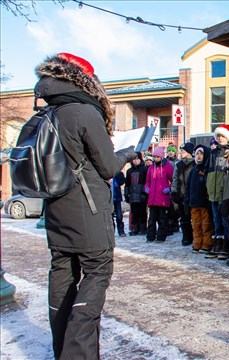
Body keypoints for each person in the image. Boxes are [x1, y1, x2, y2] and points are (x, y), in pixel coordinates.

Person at [34, 52, 137, 359]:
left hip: (56, 212)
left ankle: (61, 350)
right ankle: (77, 354)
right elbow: (107, 167)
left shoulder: (45, 114)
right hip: (89, 213)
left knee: (62, 280)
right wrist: (128, 155)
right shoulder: (84, 111)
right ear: (86, 80)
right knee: (96, 275)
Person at [206, 124, 229, 258]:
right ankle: (217, 242)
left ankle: (226, 246)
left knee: (225, 220)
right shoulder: (213, 152)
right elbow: (209, 172)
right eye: (218, 136)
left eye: (222, 136)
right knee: (216, 219)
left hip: (225, 191)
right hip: (213, 191)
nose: (220, 138)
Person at [185, 144, 213, 253]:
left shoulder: (207, 170)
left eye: (201, 153)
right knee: (196, 225)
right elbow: (188, 187)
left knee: (206, 225)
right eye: (197, 154)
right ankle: (197, 244)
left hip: (204, 203)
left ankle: (206, 244)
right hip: (194, 203)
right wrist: (187, 201)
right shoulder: (193, 171)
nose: (199, 156)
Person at [145, 146, 174, 243]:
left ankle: (161, 237)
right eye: (154, 157)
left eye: (157, 157)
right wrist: (147, 188)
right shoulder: (151, 168)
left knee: (162, 219)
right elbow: (148, 181)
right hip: (152, 198)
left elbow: (173, 180)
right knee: (151, 219)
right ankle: (150, 237)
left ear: (161, 157)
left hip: (162, 198)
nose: (155, 159)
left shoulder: (167, 167)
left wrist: (169, 189)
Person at [171, 142, 195, 246]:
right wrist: (174, 191)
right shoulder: (179, 164)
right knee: (184, 217)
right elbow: (175, 178)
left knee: (193, 217)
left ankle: (195, 236)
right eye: (181, 151)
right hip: (181, 194)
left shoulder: (195, 164)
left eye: (183, 151)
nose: (181, 153)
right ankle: (186, 236)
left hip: (192, 194)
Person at [125, 152, 148, 236]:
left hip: (142, 194)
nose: (135, 161)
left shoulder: (144, 169)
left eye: (137, 159)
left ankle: (143, 228)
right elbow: (127, 184)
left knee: (142, 212)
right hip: (133, 194)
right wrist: (126, 194)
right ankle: (135, 228)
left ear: (140, 159)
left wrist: (145, 193)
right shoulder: (129, 171)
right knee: (134, 213)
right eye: (134, 159)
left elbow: (147, 182)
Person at [165, 143, 180, 234]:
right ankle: (169, 224)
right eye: (169, 151)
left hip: (175, 187)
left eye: (172, 151)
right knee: (168, 207)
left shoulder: (177, 162)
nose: (170, 153)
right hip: (167, 187)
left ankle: (175, 223)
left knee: (175, 207)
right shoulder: (165, 162)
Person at [111, 171, 126, 237]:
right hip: (108, 198)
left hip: (116, 197)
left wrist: (117, 173)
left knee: (119, 215)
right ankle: (111, 231)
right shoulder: (104, 171)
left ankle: (121, 231)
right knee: (109, 216)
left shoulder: (117, 172)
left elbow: (122, 181)